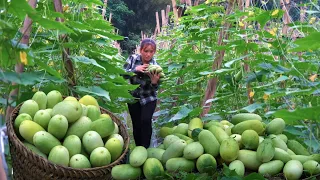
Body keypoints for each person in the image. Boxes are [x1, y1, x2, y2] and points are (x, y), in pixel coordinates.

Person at [123, 38, 160, 148]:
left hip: (149, 98)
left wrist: (154, 82)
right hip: (133, 97)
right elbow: (122, 74)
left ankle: (146, 147)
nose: (148, 54)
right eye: (146, 51)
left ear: (154, 52)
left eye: (151, 51)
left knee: (146, 120)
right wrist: (135, 70)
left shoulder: (156, 66)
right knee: (136, 124)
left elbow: (156, 88)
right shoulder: (133, 59)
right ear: (140, 50)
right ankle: (139, 147)